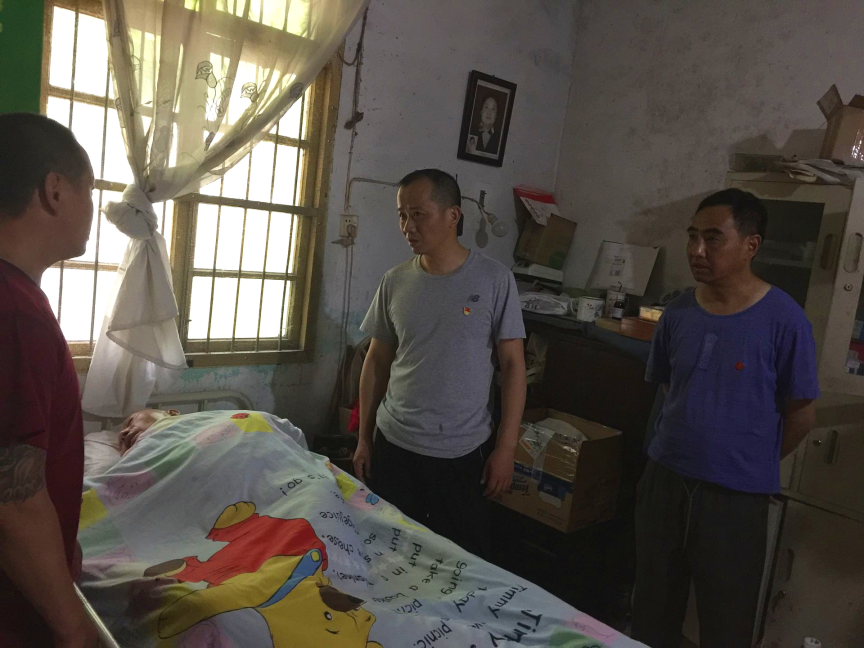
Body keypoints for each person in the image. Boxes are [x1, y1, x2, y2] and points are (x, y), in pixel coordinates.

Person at [633, 189, 819, 648]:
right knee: (652, 614)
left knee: (726, 624)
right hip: (664, 482)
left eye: (713, 238)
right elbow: (671, 388)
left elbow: (801, 417)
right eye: (692, 237)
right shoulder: (678, 312)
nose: (697, 250)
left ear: (751, 245)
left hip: (735, 499)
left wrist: (747, 460)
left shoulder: (785, 320)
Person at [353, 169, 526, 558]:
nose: (407, 226)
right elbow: (376, 361)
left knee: (455, 562)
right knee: (387, 554)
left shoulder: (494, 280)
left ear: (453, 216)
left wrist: (506, 447)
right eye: (402, 215)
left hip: (461, 452)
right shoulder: (395, 281)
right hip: (395, 443)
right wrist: (364, 437)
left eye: (418, 214)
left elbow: (513, 366)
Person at [0, 113, 99, 647]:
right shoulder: (16, 313)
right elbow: (13, 501)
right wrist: (74, 627)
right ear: (55, 190)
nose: (93, 208)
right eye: (90, 191)